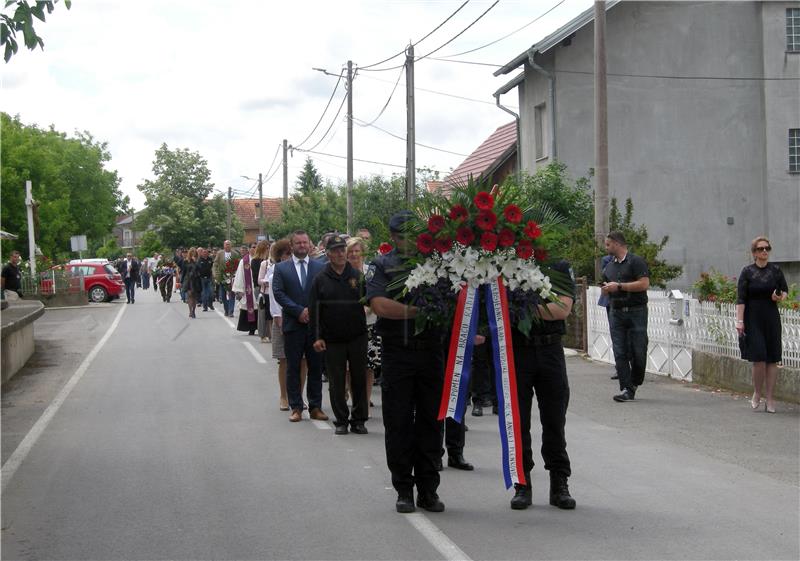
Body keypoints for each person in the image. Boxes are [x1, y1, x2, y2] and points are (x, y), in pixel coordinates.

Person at [366, 211, 445, 514]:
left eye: (412, 234)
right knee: (398, 422)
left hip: (431, 352)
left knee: (431, 421)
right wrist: (418, 312)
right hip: (398, 352)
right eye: (402, 235)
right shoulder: (382, 265)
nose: (408, 240)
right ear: (393, 237)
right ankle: (403, 489)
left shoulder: (437, 262)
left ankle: (429, 489)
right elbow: (379, 305)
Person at [509, 258, 577, 511]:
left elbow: (562, 309)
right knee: (518, 422)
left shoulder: (557, 267)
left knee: (554, 421)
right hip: (518, 351)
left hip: (550, 349)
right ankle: (522, 484)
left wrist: (523, 307)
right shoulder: (506, 265)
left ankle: (559, 483)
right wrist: (539, 306)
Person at [310, 235, 369, 435]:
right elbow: (315, 310)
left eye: (342, 249)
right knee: (336, 381)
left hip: (357, 336)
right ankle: (341, 420)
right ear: (327, 254)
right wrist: (317, 337)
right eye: (335, 250)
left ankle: (359, 419)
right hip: (332, 339)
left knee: (359, 379)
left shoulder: (357, 276)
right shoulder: (320, 278)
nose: (340, 254)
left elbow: (369, 301)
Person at [272, 230, 329, 423]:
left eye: (305, 242)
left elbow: (325, 293)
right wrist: (298, 311)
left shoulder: (320, 267)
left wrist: (312, 311)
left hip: (315, 326)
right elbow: (278, 293)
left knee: (315, 367)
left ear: (310, 244)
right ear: (292, 245)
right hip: (293, 324)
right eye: (298, 243)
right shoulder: (281, 268)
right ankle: (296, 407)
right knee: (293, 367)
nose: (302, 246)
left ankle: (315, 407)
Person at [736, 236, 788, 414]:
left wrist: (779, 297)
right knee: (759, 358)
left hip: (771, 317)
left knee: (772, 359)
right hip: (753, 318)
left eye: (767, 248)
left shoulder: (776, 270)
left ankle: (770, 398)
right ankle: (757, 392)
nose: (764, 251)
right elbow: (741, 299)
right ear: (754, 253)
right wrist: (740, 321)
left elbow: (785, 291)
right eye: (760, 249)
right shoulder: (747, 272)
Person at [601, 231, 650, 402]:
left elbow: (644, 284)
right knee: (619, 351)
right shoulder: (609, 266)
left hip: (637, 311)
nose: (606, 247)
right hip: (616, 312)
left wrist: (620, 286)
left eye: (608, 244)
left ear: (617, 243)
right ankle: (627, 389)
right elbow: (606, 285)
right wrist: (606, 289)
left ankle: (635, 382)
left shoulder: (636, 261)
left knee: (638, 350)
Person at [268, 238, 294, 411]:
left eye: (291, 254)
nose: (290, 257)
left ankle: (298, 395)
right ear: (280, 256)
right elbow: (274, 297)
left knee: (302, 361)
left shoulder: (299, 270)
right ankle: (284, 396)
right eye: (287, 254)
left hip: (299, 317)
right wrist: (278, 317)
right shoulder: (274, 272)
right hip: (282, 319)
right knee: (284, 360)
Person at [598, 253, 621, 381]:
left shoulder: (632, 260)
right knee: (616, 334)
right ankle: (620, 368)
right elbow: (604, 278)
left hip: (627, 300)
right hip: (611, 301)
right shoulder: (607, 260)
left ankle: (630, 366)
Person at [233, 243, 259, 335]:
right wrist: (239, 289)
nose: (255, 249)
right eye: (253, 247)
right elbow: (240, 275)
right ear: (249, 249)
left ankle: (260, 328)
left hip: (258, 287)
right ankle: (251, 328)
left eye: (256, 247)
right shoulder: (244, 261)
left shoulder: (261, 259)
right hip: (248, 289)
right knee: (249, 307)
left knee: (260, 308)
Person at [213, 240, 240, 317]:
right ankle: (226, 309)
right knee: (223, 295)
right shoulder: (220, 253)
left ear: (231, 245)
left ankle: (231, 311)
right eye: (226, 244)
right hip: (222, 277)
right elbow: (215, 264)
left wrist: (235, 275)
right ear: (224, 245)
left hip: (231, 277)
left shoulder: (235, 254)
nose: (227, 246)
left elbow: (238, 265)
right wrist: (215, 274)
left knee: (232, 294)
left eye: (229, 244)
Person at [252, 240, 271, 342]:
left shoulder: (270, 261)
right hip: (259, 288)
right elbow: (256, 277)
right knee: (262, 312)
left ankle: (269, 333)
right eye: (267, 248)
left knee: (269, 312)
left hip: (268, 288)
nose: (269, 250)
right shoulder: (255, 261)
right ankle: (262, 334)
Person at [184, 248, 201, 319]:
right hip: (188, 280)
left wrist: (195, 263)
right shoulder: (186, 261)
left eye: (195, 254)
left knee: (194, 297)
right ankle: (191, 311)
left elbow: (200, 269)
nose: (193, 255)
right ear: (190, 254)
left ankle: (193, 311)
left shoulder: (198, 261)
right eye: (192, 254)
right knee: (190, 295)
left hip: (196, 280)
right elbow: (185, 270)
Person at [196, 247, 215, 311]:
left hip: (209, 278)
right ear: (201, 253)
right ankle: (205, 307)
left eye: (206, 252)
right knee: (204, 293)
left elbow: (213, 267)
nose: (205, 253)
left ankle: (210, 304)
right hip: (202, 278)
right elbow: (197, 269)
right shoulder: (199, 260)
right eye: (203, 252)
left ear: (208, 253)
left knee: (211, 292)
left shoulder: (210, 259)